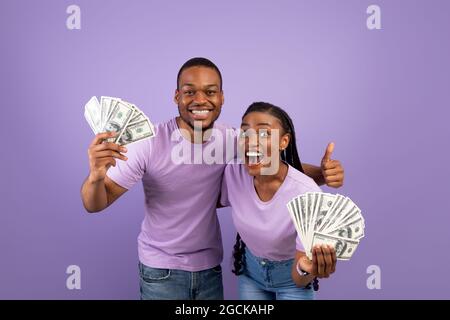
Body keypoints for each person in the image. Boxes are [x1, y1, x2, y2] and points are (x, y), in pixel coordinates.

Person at [80, 57, 344, 300]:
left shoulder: (231, 140)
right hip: (161, 270)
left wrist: (322, 174)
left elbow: (273, 166)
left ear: (221, 97)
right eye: (189, 91)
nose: (200, 100)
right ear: (176, 96)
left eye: (209, 91)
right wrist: (95, 177)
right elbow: (95, 204)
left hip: (209, 269)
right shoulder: (149, 143)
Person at [220, 102, 338, 300]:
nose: (251, 141)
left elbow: (300, 279)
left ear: (284, 142)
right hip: (250, 274)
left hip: (291, 279)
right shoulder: (233, 173)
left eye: (264, 133)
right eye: (245, 132)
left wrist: (305, 269)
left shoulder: (308, 194)